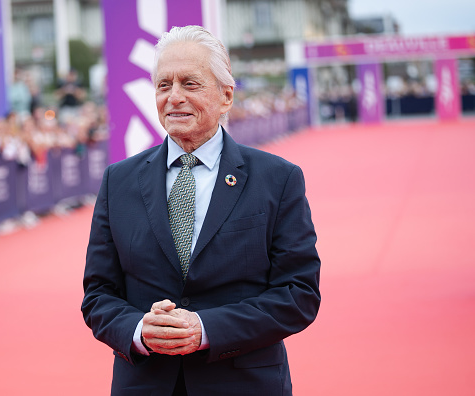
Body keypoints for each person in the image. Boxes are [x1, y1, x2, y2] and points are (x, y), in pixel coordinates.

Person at [81, 26, 320, 396]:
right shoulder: (118, 181)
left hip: (243, 384)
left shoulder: (278, 179)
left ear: (226, 96)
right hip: (145, 383)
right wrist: (138, 330)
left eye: (189, 84)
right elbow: (98, 294)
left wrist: (206, 329)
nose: (174, 97)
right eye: (163, 85)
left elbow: (298, 293)